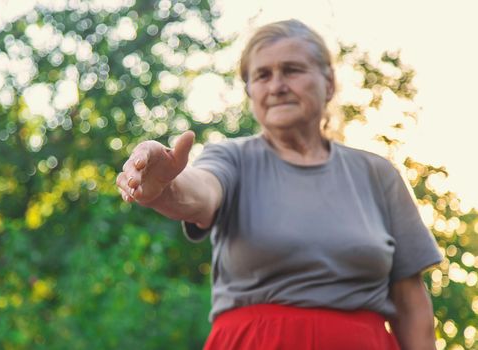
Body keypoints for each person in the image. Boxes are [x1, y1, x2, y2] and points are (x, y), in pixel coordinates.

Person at [116, 19, 441, 350]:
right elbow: (200, 192)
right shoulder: (231, 158)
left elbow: (411, 305)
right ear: (250, 92)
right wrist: (165, 187)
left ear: (328, 83)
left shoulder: (378, 174)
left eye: (292, 70)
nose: (276, 86)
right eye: (262, 75)